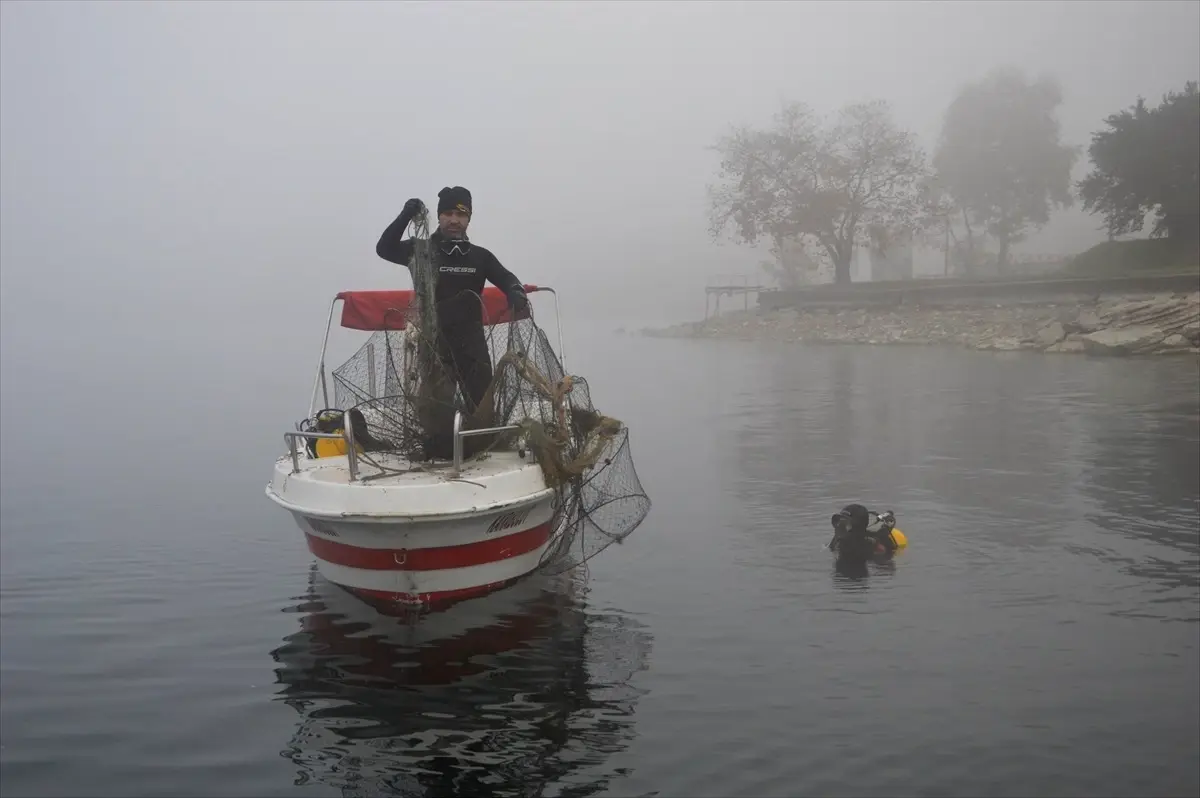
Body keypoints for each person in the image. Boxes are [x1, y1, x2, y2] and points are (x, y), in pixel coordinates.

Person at [375, 186, 529, 459]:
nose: (454, 220)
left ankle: (480, 451)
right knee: (436, 409)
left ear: (469, 219)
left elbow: (507, 278)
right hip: (435, 345)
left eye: (461, 214)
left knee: (481, 403)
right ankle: (441, 455)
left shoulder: (480, 257)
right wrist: (404, 216)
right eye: (448, 213)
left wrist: (515, 291)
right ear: (438, 216)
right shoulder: (419, 251)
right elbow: (384, 249)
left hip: (472, 344)